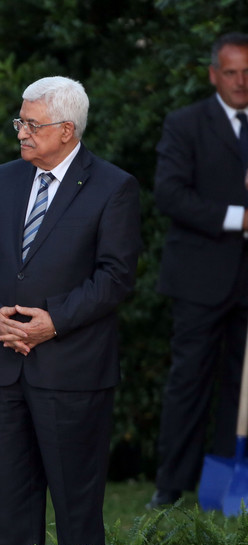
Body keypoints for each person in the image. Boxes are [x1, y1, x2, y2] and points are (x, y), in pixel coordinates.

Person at [0, 76, 141, 545]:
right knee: (12, 503)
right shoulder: (3, 179)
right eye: (20, 120)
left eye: (31, 123)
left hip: (73, 370)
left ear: (66, 130)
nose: (20, 131)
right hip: (6, 367)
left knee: (76, 510)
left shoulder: (113, 186)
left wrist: (54, 322)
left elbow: (116, 277)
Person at [149, 33, 248, 509]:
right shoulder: (185, 123)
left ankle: (225, 489)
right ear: (214, 75)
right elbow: (168, 194)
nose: (241, 81)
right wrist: (238, 217)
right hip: (199, 280)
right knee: (188, 383)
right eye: (231, 72)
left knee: (243, 387)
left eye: (247, 72)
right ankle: (170, 487)